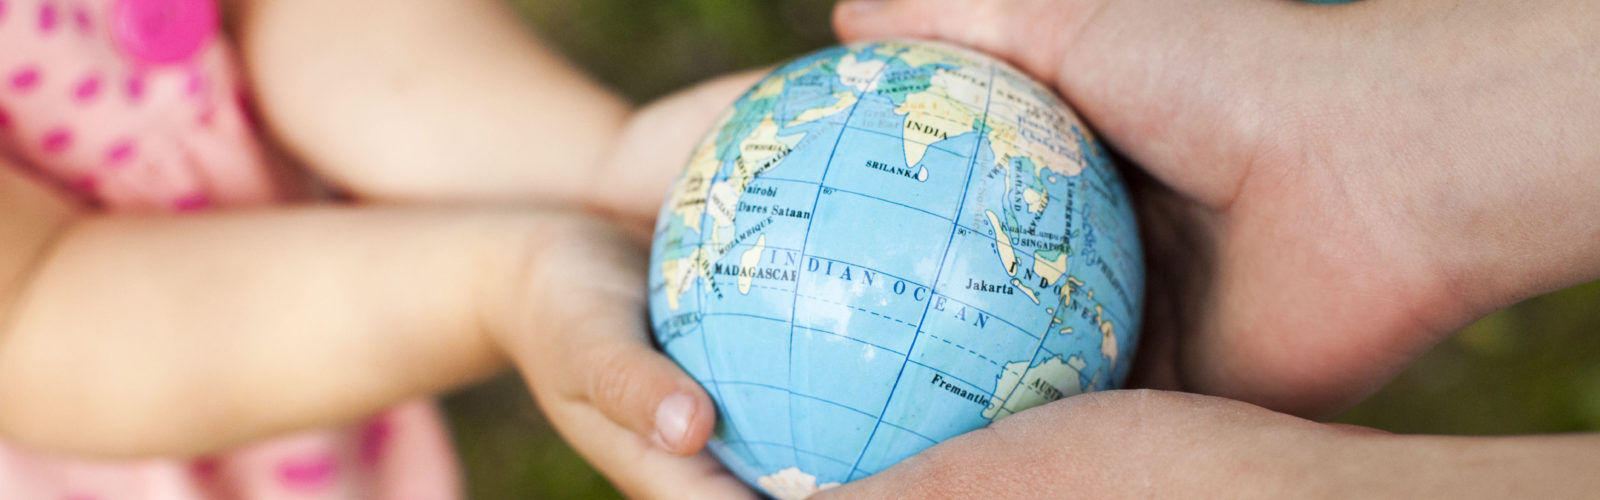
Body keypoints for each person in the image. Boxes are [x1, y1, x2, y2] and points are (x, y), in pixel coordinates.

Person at [0, 0, 744, 497]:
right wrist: (495, 281)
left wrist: (598, 159)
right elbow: (31, 307)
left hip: (327, 367)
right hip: (119, 414)